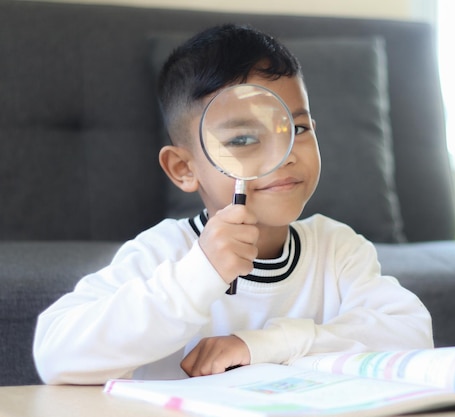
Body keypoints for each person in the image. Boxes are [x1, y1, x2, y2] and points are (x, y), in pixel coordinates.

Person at [33, 24, 433, 385]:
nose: (286, 152)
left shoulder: (338, 250)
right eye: (242, 139)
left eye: (297, 128)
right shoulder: (164, 254)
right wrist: (197, 276)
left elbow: (411, 334)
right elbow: (55, 354)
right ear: (184, 169)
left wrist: (260, 344)